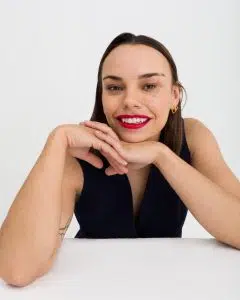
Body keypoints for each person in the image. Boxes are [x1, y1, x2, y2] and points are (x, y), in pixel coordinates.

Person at [1, 32, 240, 287]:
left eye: (149, 86)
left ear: (174, 96)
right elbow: (17, 270)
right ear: (101, 95)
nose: (129, 101)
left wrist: (161, 155)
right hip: (93, 287)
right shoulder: (79, 157)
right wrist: (56, 141)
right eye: (115, 87)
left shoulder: (192, 137)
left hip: (171, 285)